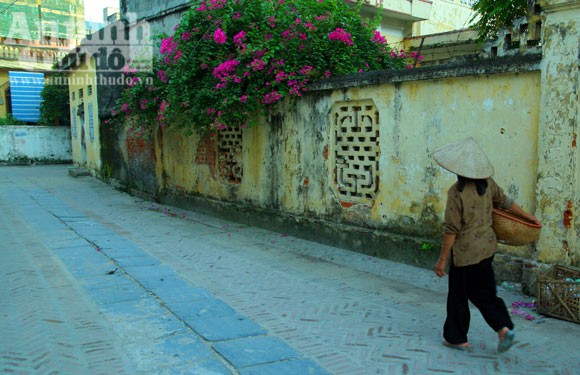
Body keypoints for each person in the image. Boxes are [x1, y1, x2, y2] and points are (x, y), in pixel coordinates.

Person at [432, 137, 540, 354]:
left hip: (464, 254)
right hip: (487, 249)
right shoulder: (488, 185)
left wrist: (442, 259)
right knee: (485, 293)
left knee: (458, 296)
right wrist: (529, 217)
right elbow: (507, 202)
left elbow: (451, 229)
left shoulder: (456, 193)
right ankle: (503, 327)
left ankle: (457, 338)